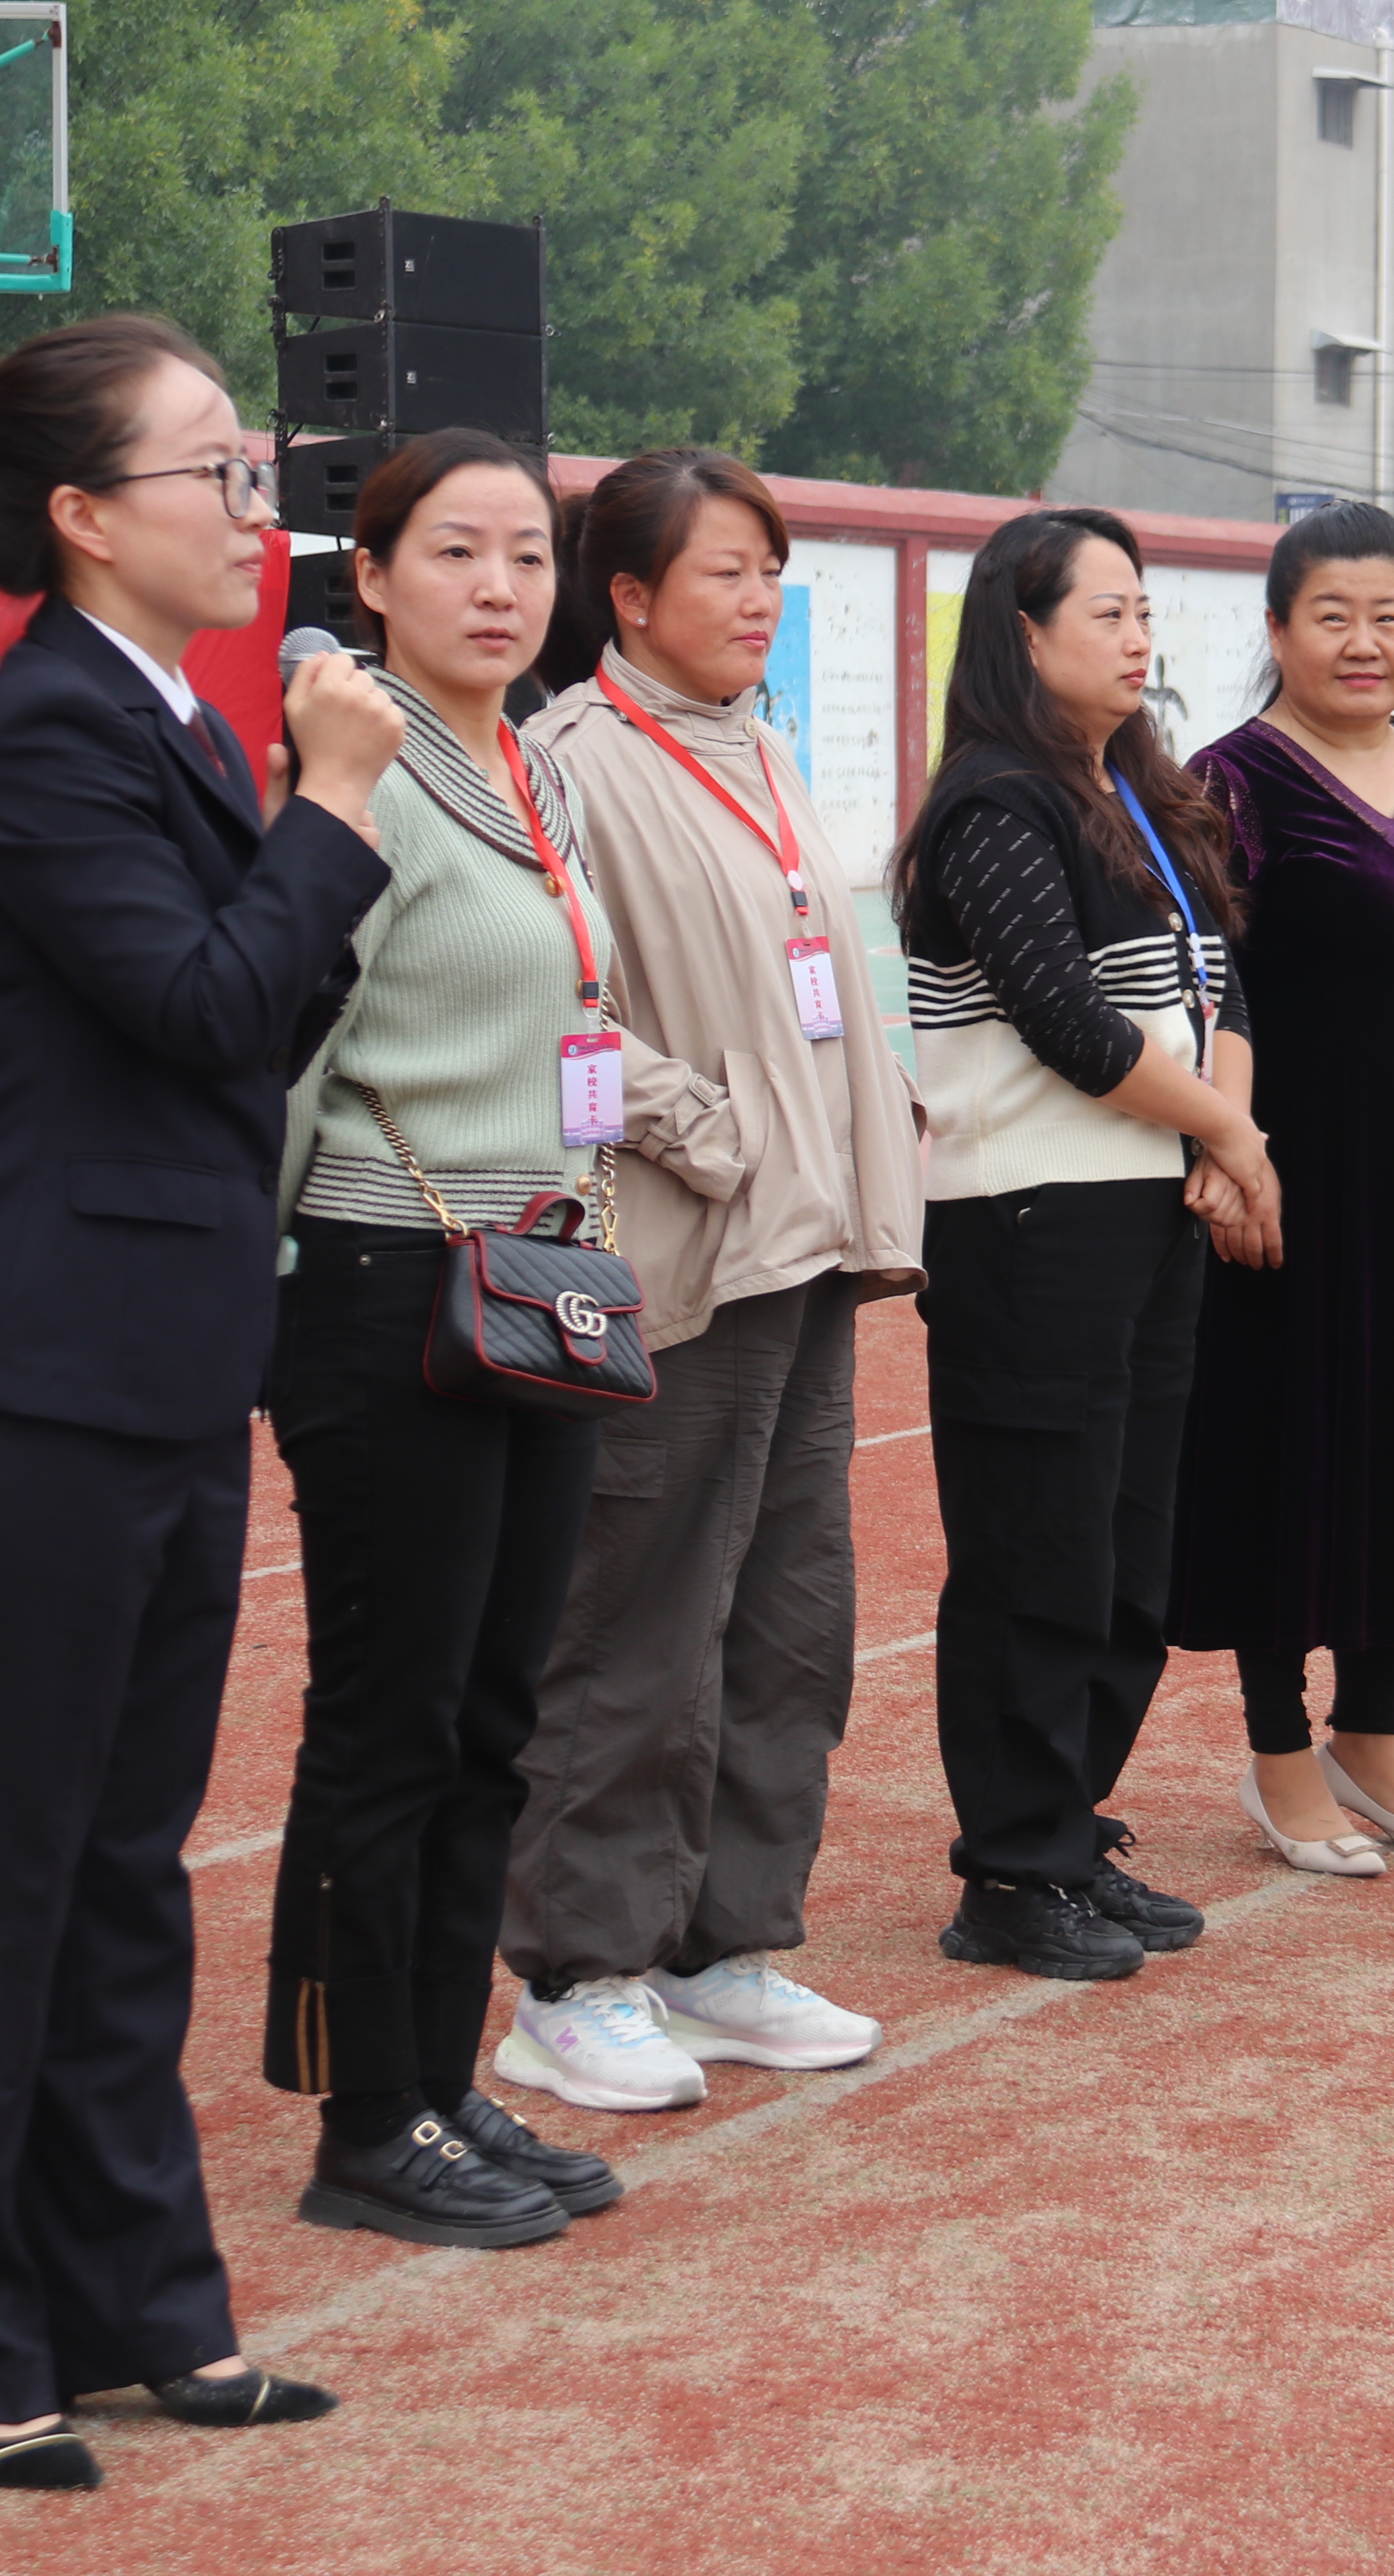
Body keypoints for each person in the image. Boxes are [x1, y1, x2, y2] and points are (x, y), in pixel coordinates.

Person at [0, 317, 395, 2485]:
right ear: (83, 516)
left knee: (124, 1873)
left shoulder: (155, 719)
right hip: (26, 1394)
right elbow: (204, 1006)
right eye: (218, 475)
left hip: (151, 1384)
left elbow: (262, 1003)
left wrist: (305, 813)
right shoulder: (48, 738)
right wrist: (332, 799)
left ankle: (146, 2304)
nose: (259, 514)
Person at [490, 451, 928, 2111]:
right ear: (627, 596)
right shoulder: (572, 762)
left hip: (815, 1240)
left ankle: (726, 1944)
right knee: (640, 1614)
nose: (756, 599)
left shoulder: (760, 745)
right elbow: (551, 1009)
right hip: (685, 1244)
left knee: (793, 1610)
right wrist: (713, 1126)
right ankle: (580, 1969)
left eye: (769, 571)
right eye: (723, 571)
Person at [259, 431, 627, 2250]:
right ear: (374, 577)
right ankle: (362, 2120)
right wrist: (246, 1303)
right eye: (459, 553)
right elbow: (286, 1058)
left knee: (496, 1717)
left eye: (529, 557)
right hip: (386, 1286)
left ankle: (441, 2071)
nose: (501, 586)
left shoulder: (518, 769)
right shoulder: (361, 775)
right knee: (389, 1719)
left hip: (536, 1292)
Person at [893, 508, 1282, 1981]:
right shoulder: (994, 806)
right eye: (1107, 613)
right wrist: (1235, 1142)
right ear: (1024, 631)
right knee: (1033, 1550)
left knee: (1130, 1549)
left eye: (1142, 613)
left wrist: (1218, 1126)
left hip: (1148, 1213)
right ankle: (1009, 1867)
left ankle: (1069, 1823)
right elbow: (1071, 1024)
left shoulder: (1142, 792)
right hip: (1031, 1226)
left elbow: (1220, 981)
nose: (1139, 638)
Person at [1169, 500, 1394, 1876]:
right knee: (1285, 1443)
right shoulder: (1230, 780)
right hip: (1292, 1167)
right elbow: (1214, 986)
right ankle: (1276, 1750)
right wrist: (1230, 1150)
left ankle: (1369, 1735)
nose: (1362, 642)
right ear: (1275, 630)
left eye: (1388, 616)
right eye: (1332, 615)